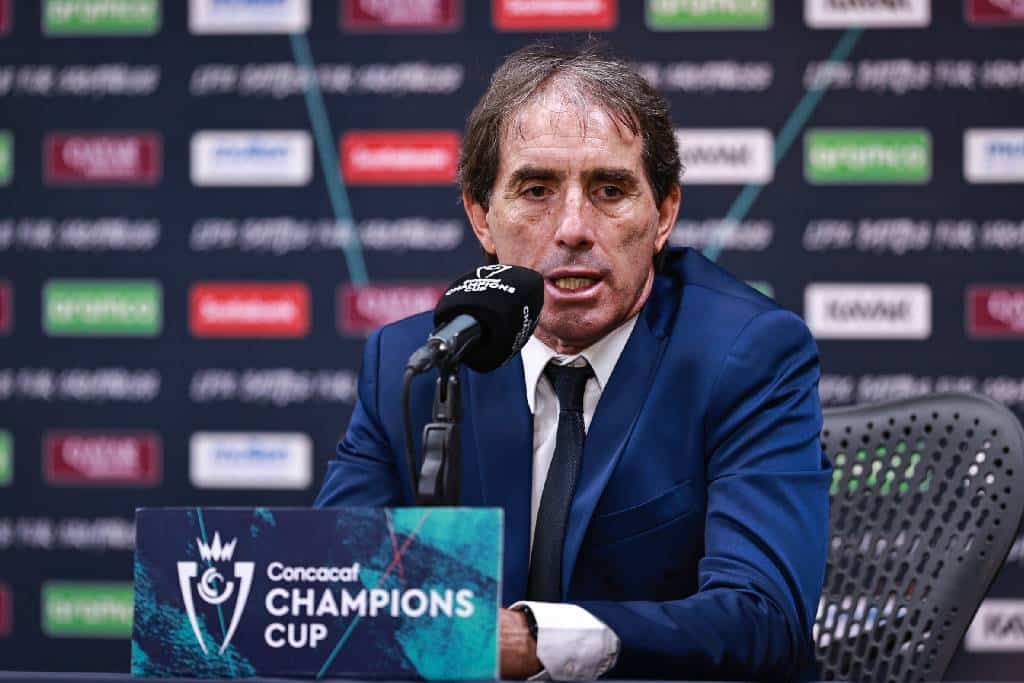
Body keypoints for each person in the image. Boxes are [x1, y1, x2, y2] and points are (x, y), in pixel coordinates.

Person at [316, 41, 830, 681]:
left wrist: (533, 642)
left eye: (610, 190)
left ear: (664, 214)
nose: (573, 228)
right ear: (482, 217)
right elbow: (325, 592)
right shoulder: (420, 363)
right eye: (536, 190)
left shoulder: (747, 354)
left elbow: (763, 616)